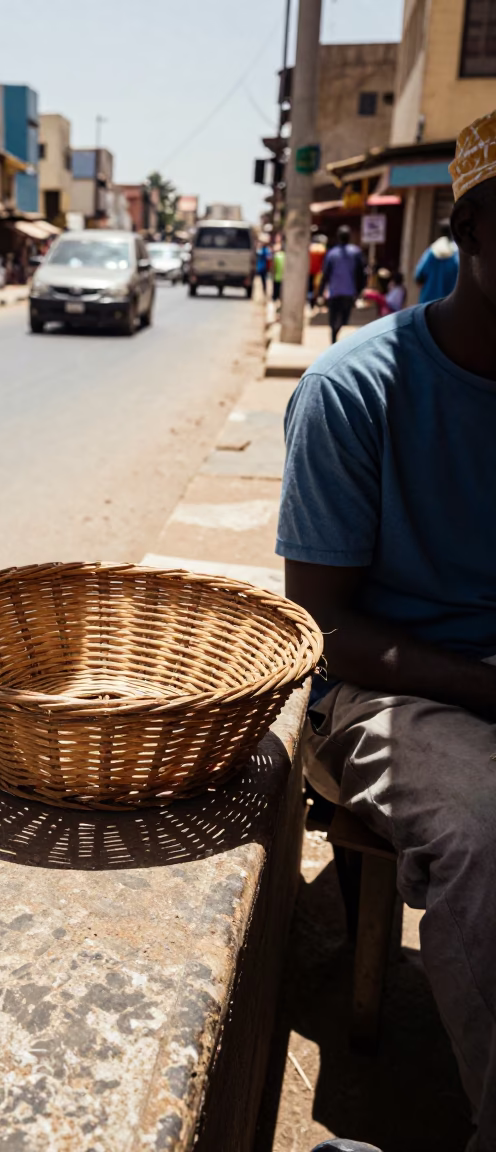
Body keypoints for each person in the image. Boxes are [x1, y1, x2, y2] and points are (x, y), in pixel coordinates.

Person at [277, 108, 496, 1150]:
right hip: (387, 689)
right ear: (472, 238)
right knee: (488, 838)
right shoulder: (354, 390)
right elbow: (319, 623)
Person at [320, 225, 366, 343]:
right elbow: (361, 273)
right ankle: (335, 337)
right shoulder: (356, 252)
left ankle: (333, 338)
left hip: (334, 292)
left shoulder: (331, 253)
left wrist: (320, 292)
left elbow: (325, 274)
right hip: (349, 292)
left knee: (333, 318)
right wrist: (360, 290)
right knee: (343, 319)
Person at [415, 220, 459, 304]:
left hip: (427, 305)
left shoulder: (432, 252)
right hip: (448, 306)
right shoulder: (456, 255)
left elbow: (418, 276)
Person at [308, 231, 327, 302]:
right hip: (319, 271)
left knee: (310, 287)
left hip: (310, 270)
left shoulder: (310, 248)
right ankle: (314, 300)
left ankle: (309, 301)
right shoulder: (322, 248)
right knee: (317, 287)